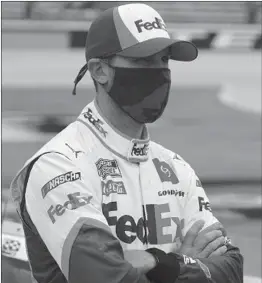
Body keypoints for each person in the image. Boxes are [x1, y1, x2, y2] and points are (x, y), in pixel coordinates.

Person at [11, 3, 243, 283]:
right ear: (99, 71)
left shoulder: (176, 168)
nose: (158, 72)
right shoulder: (58, 165)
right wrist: (186, 263)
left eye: (164, 60)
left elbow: (231, 270)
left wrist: (159, 263)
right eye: (144, 61)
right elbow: (105, 278)